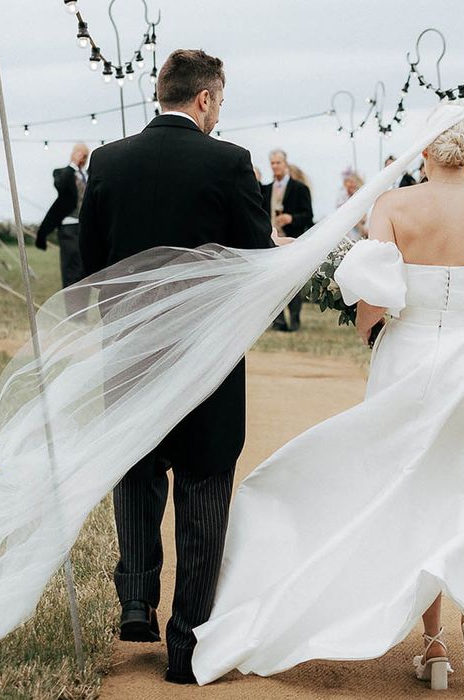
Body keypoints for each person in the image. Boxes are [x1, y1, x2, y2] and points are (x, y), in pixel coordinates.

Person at [191, 108, 464, 690]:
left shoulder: (395, 207)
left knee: (409, 492)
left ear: (424, 152)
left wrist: (371, 331)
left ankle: (433, 648)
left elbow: (374, 301)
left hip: (410, 359)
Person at [78, 49, 273, 685]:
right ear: (206, 99)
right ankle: (186, 643)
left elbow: (92, 263)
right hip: (206, 354)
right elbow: (254, 261)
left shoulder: (107, 162)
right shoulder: (230, 163)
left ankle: (136, 594)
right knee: (204, 481)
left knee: (135, 463)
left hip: (131, 348)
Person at [260, 149, 314, 331]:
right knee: (273, 282)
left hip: (292, 241)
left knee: (293, 282)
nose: (275, 166)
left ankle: (295, 319)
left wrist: (291, 218)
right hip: (271, 243)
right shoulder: (266, 190)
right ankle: (279, 321)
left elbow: (308, 215)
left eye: (278, 163)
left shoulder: (300, 189)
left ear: (285, 164)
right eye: (272, 163)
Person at [35, 143, 91, 311]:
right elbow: (60, 185)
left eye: (85, 155)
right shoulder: (62, 173)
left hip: (86, 227)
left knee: (85, 270)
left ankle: (82, 311)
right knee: (72, 269)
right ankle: (74, 313)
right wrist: (72, 164)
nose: (83, 158)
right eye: (80, 154)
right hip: (69, 227)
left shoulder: (89, 175)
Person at [339, 169, 367, 241]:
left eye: (354, 182)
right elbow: (348, 216)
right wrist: (361, 228)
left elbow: (364, 216)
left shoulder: (360, 197)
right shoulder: (343, 198)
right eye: (350, 182)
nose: (353, 184)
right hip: (349, 232)